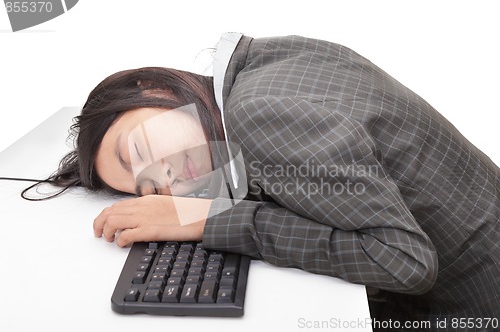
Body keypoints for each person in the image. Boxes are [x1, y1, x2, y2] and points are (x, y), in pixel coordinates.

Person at [38, 33, 499, 330]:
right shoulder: (266, 62)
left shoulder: (257, 115)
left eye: (139, 151)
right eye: (153, 189)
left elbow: (404, 263)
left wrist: (212, 221)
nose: (168, 177)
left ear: (152, 89)